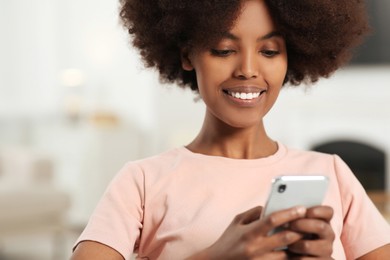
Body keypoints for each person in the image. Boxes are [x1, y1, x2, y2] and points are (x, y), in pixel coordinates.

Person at [71, 0, 390, 259]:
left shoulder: (331, 172)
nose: (248, 69)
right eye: (224, 50)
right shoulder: (142, 181)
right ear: (187, 55)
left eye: (269, 51)